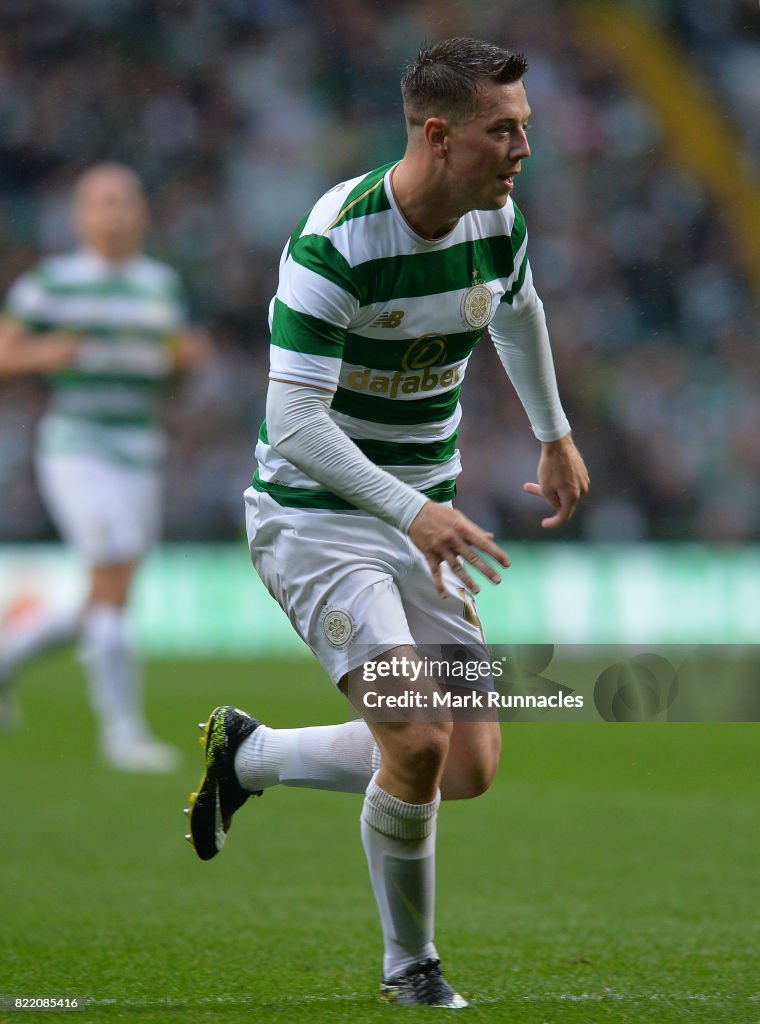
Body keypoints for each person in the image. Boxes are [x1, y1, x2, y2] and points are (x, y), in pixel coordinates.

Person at [185, 37, 589, 1006]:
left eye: (525, 128)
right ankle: (410, 966)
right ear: (440, 135)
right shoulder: (337, 240)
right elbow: (292, 421)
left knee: (470, 762)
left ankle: (250, 754)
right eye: (505, 131)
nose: (523, 148)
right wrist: (414, 511)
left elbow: (517, 309)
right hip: (318, 515)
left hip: (422, 514)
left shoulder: (496, 222)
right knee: (414, 738)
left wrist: (553, 432)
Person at [0, 162, 208, 772]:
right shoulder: (52, 283)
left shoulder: (160, 286)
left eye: (124, 202)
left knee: (105, 592)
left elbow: (171, 386)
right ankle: (123, 733)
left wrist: (186, 367)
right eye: (102, 202)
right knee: (112, 575)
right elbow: (5, 354)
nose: (114, 213)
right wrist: (49, 351)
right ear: (80, 216)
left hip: (140, 451)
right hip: (77, 445)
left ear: (141, 213)